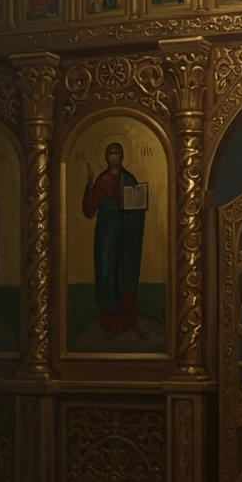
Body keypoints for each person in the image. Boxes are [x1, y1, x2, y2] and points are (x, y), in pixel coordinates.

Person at [82, 141, 147, 341]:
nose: (114, 156)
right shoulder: (102, 181)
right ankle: (109, 326)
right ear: (106, 156)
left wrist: (138, 206)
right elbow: (89, 211)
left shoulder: (130, 179)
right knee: (108, 273)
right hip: (107, 235)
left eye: (117, 153)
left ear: (122, 155)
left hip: (126, 234)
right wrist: (90, 184)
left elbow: (137, 204)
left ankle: (129, 323)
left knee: (127, 273)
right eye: (111, 153)